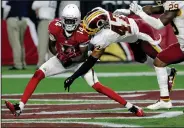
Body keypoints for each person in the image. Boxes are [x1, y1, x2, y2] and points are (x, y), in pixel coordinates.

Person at [5, 4, 144, 117]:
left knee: (98, 87)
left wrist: (68, 59)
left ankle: (132, 107)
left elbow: (83, 56)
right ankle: (19, 107)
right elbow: (51, 45)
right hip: (63, 58)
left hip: (79, 62)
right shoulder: (55, 27)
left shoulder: (83, 33)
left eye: (72, 21)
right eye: (67, 20)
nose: (69, 23)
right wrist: (60, 55)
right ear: (62, 19)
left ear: (77, 20)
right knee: (38, 74)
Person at [63, 7, 178, 110]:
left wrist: (73, 77)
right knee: (140, 58)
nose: (86, 30)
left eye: (89, 30)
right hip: (132, 36)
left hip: (143, 32)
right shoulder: (100, 12)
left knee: (162, 59)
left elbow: (90, 62)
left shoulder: (105, 36)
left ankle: (165, 94)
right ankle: (169, 72)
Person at [129, 1, 184, 110]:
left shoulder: (175, 3)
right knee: (159, 61)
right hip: (182, 45)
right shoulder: (170, 4)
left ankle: (164, 100)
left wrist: (140, 13)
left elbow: (158, 24)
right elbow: (151, 9)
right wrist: (129, 11)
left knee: (159, 61)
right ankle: (164, 100)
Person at [6, 1, 32, 70]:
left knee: (15, 43)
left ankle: (18, 64)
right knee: (21, 43)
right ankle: (23, 63)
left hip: (13, 19)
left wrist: (4, 17)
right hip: (23, 20)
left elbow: (6, 8)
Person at [32, 1, 57, 68]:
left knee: (42, 44)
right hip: (52, 22)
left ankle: (41, 63)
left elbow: (34, 5)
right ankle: (51, 64)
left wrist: (38, 9)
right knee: (51, 44)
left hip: (44, 22)